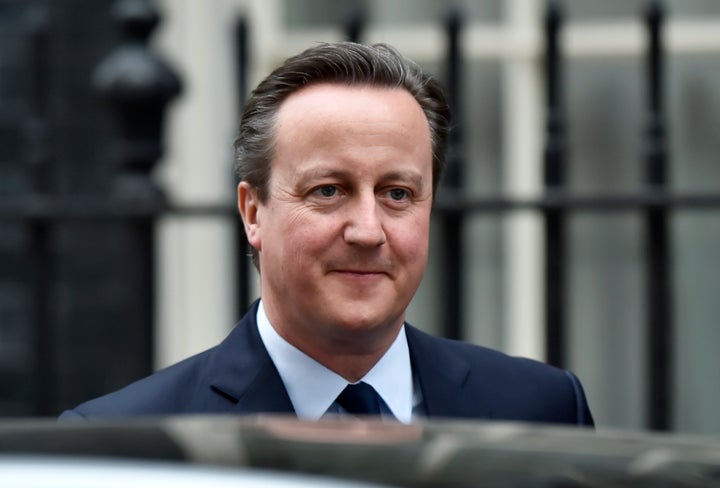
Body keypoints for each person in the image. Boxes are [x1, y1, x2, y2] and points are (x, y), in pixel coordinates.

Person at [60, 42, 593, 426]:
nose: (367, 231)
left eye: (398, 194)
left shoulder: (542, 410)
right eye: (328, 191)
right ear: (253, 212)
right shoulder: (128, 442)